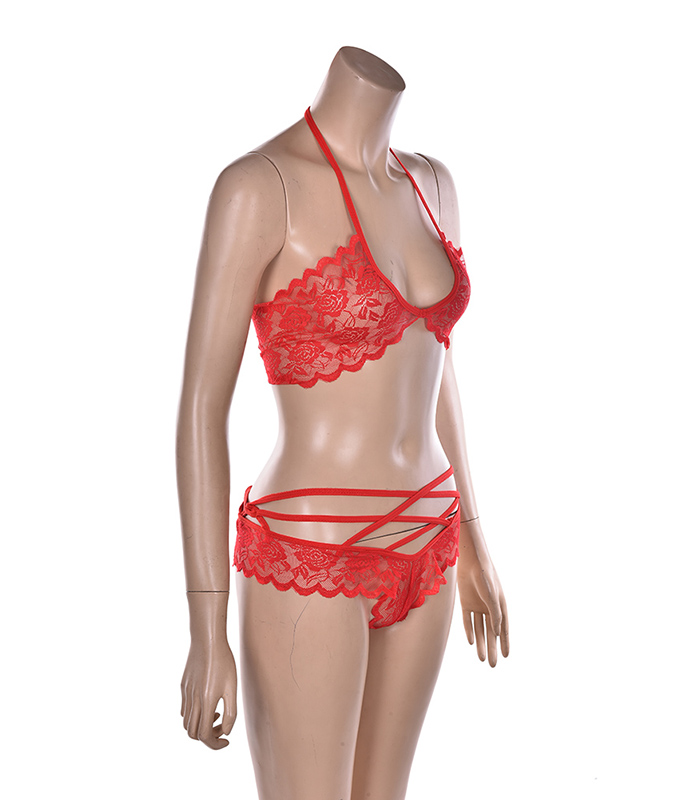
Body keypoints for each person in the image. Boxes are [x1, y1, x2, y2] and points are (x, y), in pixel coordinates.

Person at [176, 45, 510, 800]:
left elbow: (435, 359)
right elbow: (201, 406)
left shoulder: (432, 183)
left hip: (428, 536)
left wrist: (473, 537)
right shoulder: (260, 187)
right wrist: (206, 624)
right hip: (312, 548)